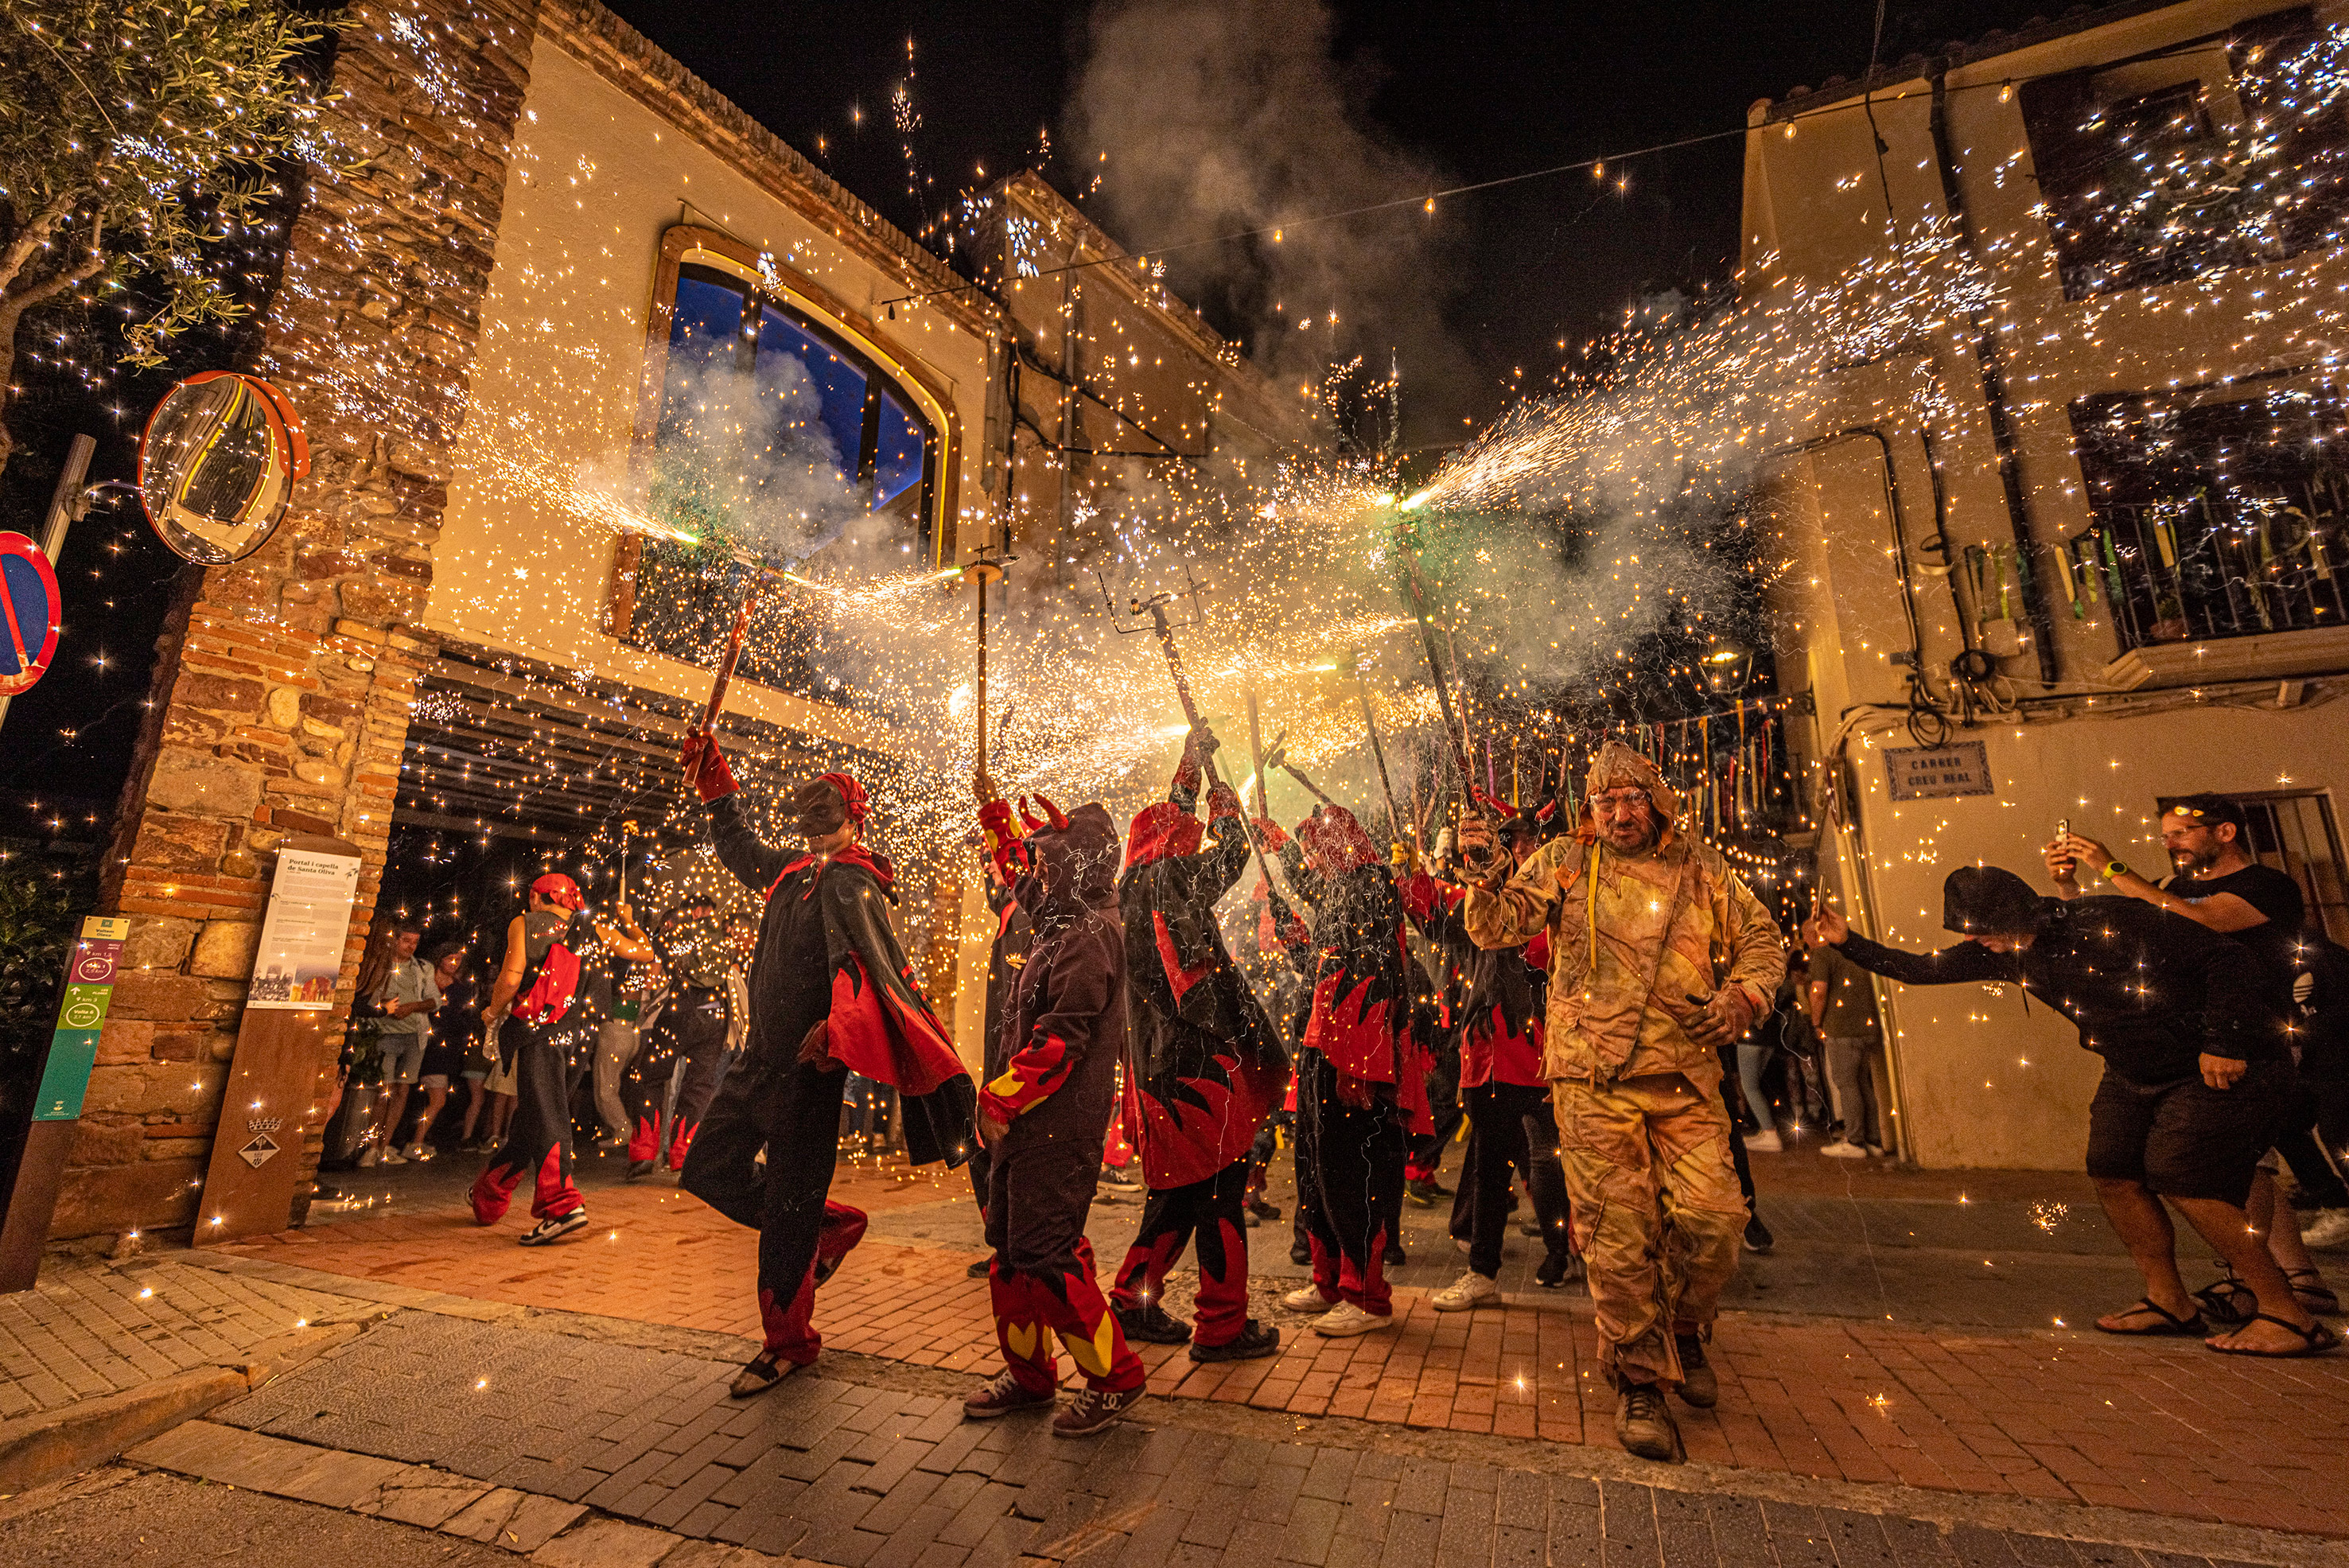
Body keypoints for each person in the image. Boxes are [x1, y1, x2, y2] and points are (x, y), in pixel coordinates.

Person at [1808, 864, 2335, 1357]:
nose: (1975, 940)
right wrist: (1847, 941)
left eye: (1984, 928)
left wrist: (2224, 1040)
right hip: (2130, 1070)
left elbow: (2227, 959)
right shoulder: (2000, 951)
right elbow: (1918, 969)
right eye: (1968, 930)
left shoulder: (2108, 919)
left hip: (2212, 1063)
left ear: (2018, 913)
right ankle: (2168, 1301)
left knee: (2183, 1176)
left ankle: (2286, 1314)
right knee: (2112, 1171)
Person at [1458, 741, 1784, 1461]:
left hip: (1685, 1074)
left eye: (1631, 798)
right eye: (1604, 802)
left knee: (1716, 1220)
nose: (1618, 813)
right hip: (1590, 1076)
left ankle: (1688, 1328)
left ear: (1657, 800)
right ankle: (1637, 1377)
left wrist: (1742, 997)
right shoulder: (1565, 860)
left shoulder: (1699, 866)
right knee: (1617, 1232)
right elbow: (1498, 924)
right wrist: (1482, 874)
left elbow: (1763, 938)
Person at [676, 737, 974, 1396]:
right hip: (756, 1063)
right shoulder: (791, 872)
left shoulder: (855, 882)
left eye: (825, 822)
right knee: (706, 1168)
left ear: (853, 818)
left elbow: (874, 970)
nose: (814, 834)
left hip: (809, 1077)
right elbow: (737, 848)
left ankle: (788, 1344)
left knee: (785, 1212)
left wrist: (838, 1026)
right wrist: (716, 783)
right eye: (807, 824)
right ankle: (829, 1226)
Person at [2058, 798, 2343, 1315]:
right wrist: (2067, 887)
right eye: (2164, 836)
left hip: (2252, 1037)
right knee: (2251, 1163)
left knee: (2230, 1164)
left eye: (2181, 834)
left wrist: (2113, 867)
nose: (2170, 844)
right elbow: (2129, 931)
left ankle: (2263, 1289)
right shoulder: (2169, 889)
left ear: (2225, 831)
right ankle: (2297, 1279)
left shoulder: (2266, 886)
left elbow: (2202, 920)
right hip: (2198, 1039)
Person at [964, 788, 1149, 1436]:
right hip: (1024, 1125)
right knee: (1010, 1252)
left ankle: (1114, 1377)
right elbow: (1025, 881)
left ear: (1080, 868)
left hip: (1058, 1125)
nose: (1037, 874)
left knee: (1045, 1252)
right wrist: (1000, 832)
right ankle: (1030, 1375)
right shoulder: (1064, 915)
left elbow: (1061, 1039)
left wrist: (1000, 1096)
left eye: (1049, 863)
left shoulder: (1093, 936)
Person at [1106, 730, 1286, 1363]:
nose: (1191, 835)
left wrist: (1190, 765)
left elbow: (1170, 821)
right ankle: (1221, 1326)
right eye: (1184, 830)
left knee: (1180, 1193)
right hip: (1197, 1070)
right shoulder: (1170, 881)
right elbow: (1231, 856)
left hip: (1160, 1072)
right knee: (1219, 1194)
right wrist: (1227, 812)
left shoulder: (1133, 885)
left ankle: (1130, 1299)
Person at [1402, 809, 1580, 1307]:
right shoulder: (1482, 901)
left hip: (1544, 1048)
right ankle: (1483, 1272)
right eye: (1511, 843)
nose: (1521, 850)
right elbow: (1438, 921)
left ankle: (1565, 1247)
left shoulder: (1561, 896)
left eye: (1526, 842)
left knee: (1551, 1158)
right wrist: (1413, 876)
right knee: (1488, 1164)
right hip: (1488, 1051)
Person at [1273, 803, 1429, 1337]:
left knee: (1351, 1174)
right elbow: (1326, 965)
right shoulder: (1340, 886)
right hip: (1324, 1052)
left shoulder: (1369, 884)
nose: (1311, 859)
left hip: (1354, 1056)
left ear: (1340, 843)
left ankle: (1365, 1296)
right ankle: (1328, 1280)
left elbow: (1373, 977)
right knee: (1316, 1170)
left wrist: (1357, 1064)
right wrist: (1299, 942)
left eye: (1317, 846)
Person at [468, 876, 606, 1244]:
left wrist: (492, 1011)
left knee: (547, 1115)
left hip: (539, 1030)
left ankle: (562, 1206)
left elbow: (511, 977)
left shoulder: (525, 922)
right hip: (580, 1039)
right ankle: (490, 1192)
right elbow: (641, 954)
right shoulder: (596, 929)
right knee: (535, 1118)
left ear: (535, 896)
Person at [628, 893, 736, 1177]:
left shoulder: (680, 934)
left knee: (650, 1075)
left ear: (695, 911)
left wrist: (632, 924)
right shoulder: (726, 939)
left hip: (681, 1011)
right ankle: (682, 1158)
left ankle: (644, 1152)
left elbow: (653, 950)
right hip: (715, 1016)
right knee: (699, 1087)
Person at [360, 923, 440, 1165]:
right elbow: (368, 996)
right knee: (383, 1090)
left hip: (414, 1035)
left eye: (415, 941)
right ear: (395, 940)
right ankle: (371, 1147)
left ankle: (386, 1146)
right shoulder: (381, 966)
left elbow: (434, 1000)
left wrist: (412, 1007)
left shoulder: (423, 968)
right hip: (385, 1033)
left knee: (402, 1090)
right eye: (406, 940)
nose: (411, 946)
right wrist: (384, 1006)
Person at [1806, 928, 1886, 1158]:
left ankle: (1855, 1141)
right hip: (1865, 1026)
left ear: (1813, 936)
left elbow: (1818, 991)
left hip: (1841, 1028)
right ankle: (1874, 1140)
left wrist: (1816, 1023)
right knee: (1863, 1084)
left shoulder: (1822, 954)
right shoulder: (1851, 951)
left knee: (1847, 1083)